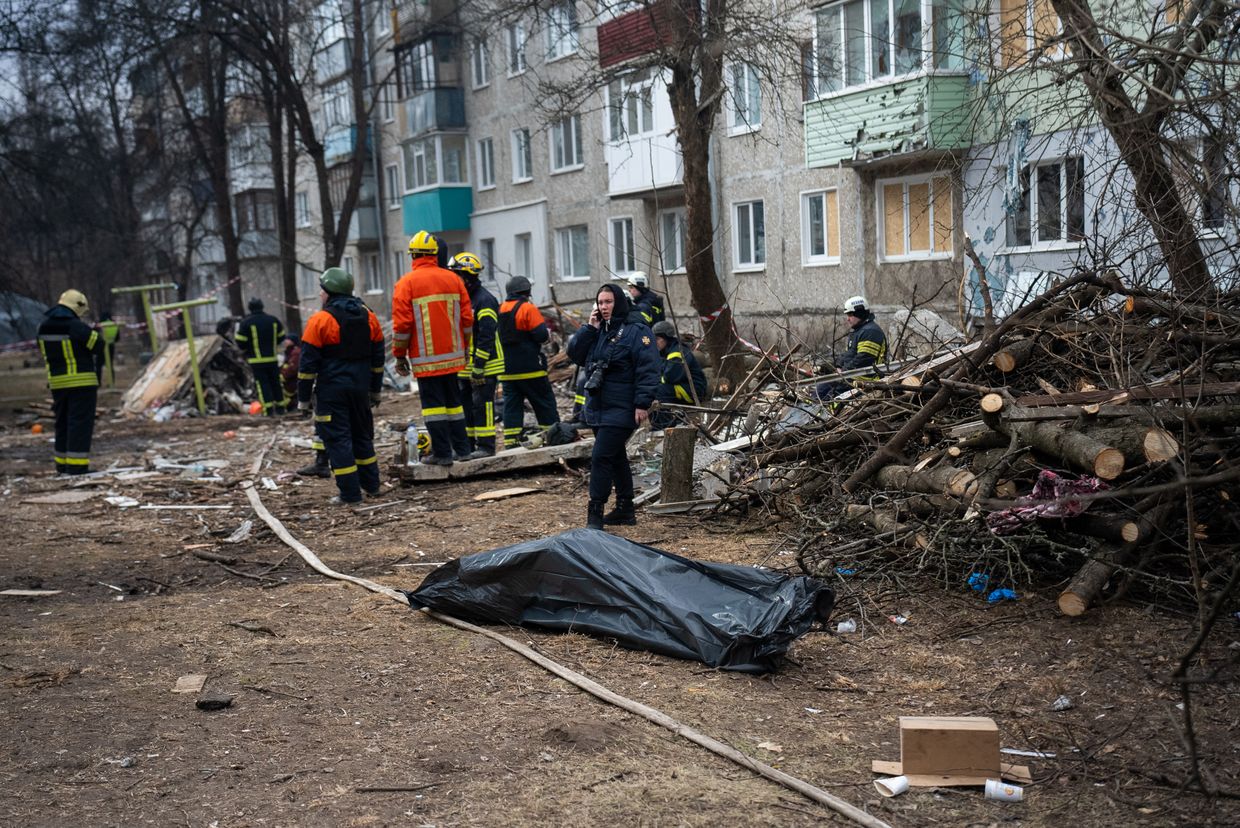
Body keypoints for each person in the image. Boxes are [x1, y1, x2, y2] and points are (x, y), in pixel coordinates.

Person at [566, 284, 660, 529]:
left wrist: (642, 403)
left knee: (601, 457)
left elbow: (648, 369)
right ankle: (625, 509)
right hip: (598, 406)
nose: (604, 307)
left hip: (623, 406)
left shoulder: (637, 330)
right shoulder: (599, 330)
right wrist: (589, 328)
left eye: (608, 302)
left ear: (618, 302)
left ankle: (595, 512)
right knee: (616, 457)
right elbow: (575, 355)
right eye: (600, 302)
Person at [296, 267, 386, 505]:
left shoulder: (320, 320)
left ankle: (349, 494)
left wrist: (303, 400)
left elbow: (307, 367)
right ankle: (372, 485)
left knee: (338, 441)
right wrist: (375, 390)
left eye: (322, 290)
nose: (320, 295)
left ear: (329, 292)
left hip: (332, 392)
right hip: (360, 389)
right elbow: (378, 360)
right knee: (362, 437)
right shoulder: (370, 316)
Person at [392, 230, 474, 466]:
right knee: (455, 405)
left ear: (413, 255)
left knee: (434, 409)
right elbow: (467, 319)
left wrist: (399, 356)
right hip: (454, 357)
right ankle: (462, 449)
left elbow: (403, 325)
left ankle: (442, 454)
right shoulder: (454, 279)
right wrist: (466, 348)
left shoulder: (406, 284)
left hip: (426, 359)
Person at [37, 289, 104, 475]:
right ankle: (76, 466)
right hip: (82, 383)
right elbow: (98, 345)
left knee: (62, 423)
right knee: (79, 424)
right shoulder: (76, 326)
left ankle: (62, 464)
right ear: (78, 307)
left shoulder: (43, 326)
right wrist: (95, 332)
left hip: (57, 383)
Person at [449, 252, 503, 459]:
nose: (453, 279)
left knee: (483, 406)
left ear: (468, 276)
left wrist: (479, 364)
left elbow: (486, 335)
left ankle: (486, 446)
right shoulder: (464, 299)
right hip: (466, 366)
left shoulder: (484, 300)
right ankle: (468, 446)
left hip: (486, 365)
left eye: (456, 275)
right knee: (467, 407)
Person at [498, 275, 560, 449]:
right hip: (531, 368)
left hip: (508, 370)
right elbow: (541, 335)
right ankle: (553, 435)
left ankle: (511, 442)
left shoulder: (500, 309)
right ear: (526, 291)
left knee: (511, 407)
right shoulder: (527, 308)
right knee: (544, 403)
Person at [814, 295, 887, 400]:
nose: (847, 319)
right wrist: (838, 365)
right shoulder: (860, 331)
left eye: (850, 315)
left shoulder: (871, 332)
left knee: (829, 398)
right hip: (850, 377)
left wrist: (844, 371)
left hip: (864, 382)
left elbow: (864, 359)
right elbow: (849, 354)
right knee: (820, 390)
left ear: (859, 313)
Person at [649, 320, 708, 431]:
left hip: (693, 390)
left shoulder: (677, 352)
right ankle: (658, 424)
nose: (654, 342)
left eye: (657, 339)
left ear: (667, 338)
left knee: (658, 390)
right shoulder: (666, 352)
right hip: (683, 386)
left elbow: (670, 377)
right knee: (651, 388)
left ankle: (664, 426)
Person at [236, 297, 287, 416]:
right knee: (276, 382)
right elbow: (281, 337)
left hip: (256, 360)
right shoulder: (273, 320)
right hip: (273, 359)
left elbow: (240, 342)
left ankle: (268, 410)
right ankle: (281, 408)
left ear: (250, 308)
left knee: (263, 384)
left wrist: (248, 348)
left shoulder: (246, 322)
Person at [95, 312, 121, 387]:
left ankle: (98, 383)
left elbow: (94, 334)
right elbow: (117, 338)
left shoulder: (99, 325)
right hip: (111, 346)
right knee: (110, 365)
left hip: (100, 347)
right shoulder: (114, 325)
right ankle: (111, 383)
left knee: (98, 365)